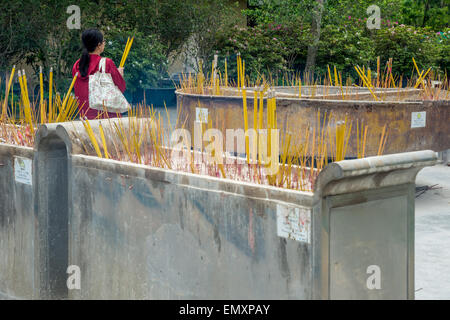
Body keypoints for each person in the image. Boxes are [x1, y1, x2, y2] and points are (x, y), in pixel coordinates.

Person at [72, 28, 126, 119]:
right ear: (99, 45)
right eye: (104, 41)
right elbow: (121, 88)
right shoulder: (107, 63)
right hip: (107, 117)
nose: (104, 43)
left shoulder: (77, 65)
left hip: (85, 117)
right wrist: (120, 75)